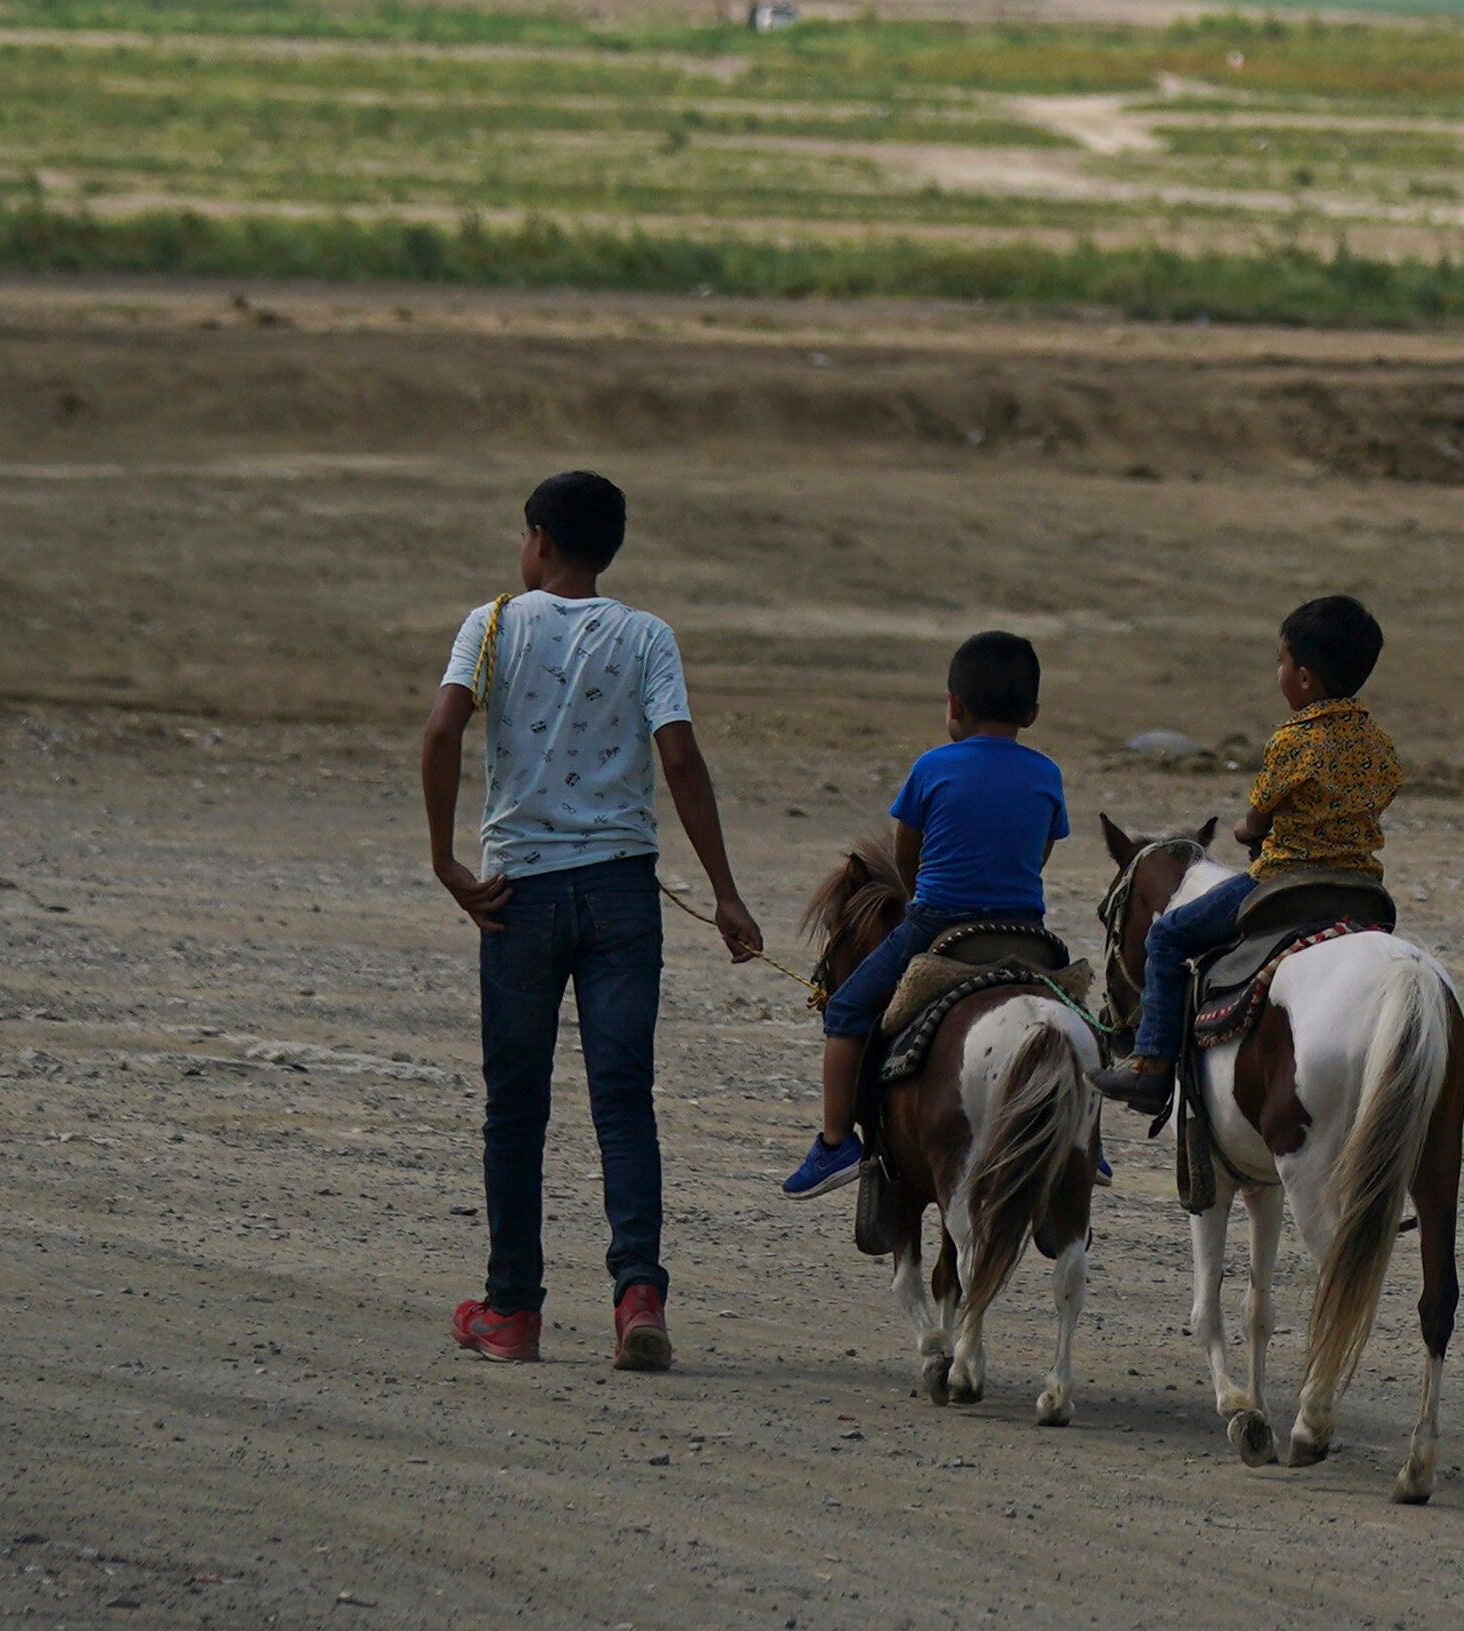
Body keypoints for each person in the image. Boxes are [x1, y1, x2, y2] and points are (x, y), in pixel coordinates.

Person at [419, 467, 762, 1370]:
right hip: (620, 895)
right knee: (622, 1101)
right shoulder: (646, 635)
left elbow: (440, 733)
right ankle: (637, 1295)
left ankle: (512, 1313)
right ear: (610, 549)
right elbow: (680, 759)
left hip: (515, 897)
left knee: (515, 1110)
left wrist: (444, 861)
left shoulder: (491, 624)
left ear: (538, 538)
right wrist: (724, 892)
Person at [787, 629, 1068, 1198]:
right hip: (1025, 930)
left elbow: (904, 856)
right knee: (1073, 1023)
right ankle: (1087, 1140)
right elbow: (1039, 853)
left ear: (954, 706)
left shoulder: (932, 767)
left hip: (938, 920)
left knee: (844, 1010)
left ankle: (837, 1143)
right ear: (1032, 713)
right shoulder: (1047, 774)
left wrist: (925, 897)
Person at [1101, 594, 1401, 1106]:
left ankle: (1150, 1066)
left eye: (1281, 661)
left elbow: (1258, 816)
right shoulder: (1379, 743)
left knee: (1169, 937)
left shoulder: (1293, 739)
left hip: (1287, 881)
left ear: (1304, 678)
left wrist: (1245, 830)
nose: (1278, 671)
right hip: (1361, 886)